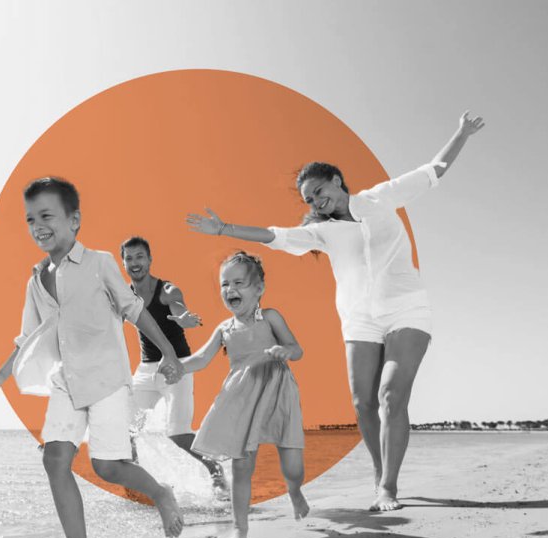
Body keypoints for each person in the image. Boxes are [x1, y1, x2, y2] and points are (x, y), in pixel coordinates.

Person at [187, 112, 485, 512]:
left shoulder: (381, 198)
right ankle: (380, 474)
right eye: (308, 199)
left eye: (318, 191)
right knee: (362, 403)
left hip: (405, 308)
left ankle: (388, 489)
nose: (315, 201)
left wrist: (461, 133)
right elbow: (276, 236)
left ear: (337, 181)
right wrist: (224, 229)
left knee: (391, 395)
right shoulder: (322, 232)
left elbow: (432, 171)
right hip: (359, 318)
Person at [0, 177, 185, 538]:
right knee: (54, 459)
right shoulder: (36, 280)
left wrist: (170, 354)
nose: (38, 224)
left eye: (47, 215)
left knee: (107, 466)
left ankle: (161, 493)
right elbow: (28, 338)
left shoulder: (100, 262)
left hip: (106, 378)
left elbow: (134, 310)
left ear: (74, 220)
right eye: (31, 218)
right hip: (66, 381)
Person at [180, 252, 307, 538]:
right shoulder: (224, 329)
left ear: (259, 288)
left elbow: (296, 347)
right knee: (241, 465)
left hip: (277, 390)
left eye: (239, 282)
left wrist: (286, 351)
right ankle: (240, 529)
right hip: (241, 395)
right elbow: (201, 359)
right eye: (225, 284)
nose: (230, 289)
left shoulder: (271, 316)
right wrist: (178, 367)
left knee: (292, 463)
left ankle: (294, 490)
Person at [120, 236, 227, 497]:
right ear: (123, 262)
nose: (135, 263)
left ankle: (216, 471)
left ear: (150, 260)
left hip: (178, 368)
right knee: (126, 431)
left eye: (140, 257)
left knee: (178, 434)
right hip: (146, 371)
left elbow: (180, 313)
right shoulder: (124, 294)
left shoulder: (167, 290)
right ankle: (134, 486)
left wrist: (185, 319)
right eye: (129, 258)